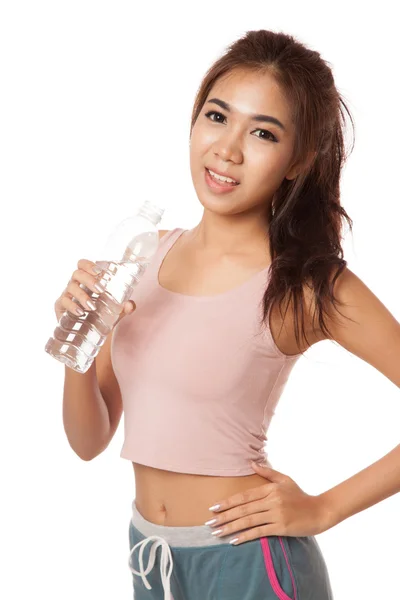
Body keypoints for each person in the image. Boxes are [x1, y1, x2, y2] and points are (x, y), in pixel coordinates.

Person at [57, 30, 400, 600]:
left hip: (250, 564)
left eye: (263, 133)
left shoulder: (307, 285)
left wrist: (324, 509)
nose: (228, 149)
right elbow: (88, 441)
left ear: (298, 162)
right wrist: (78, 347)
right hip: (151, 558)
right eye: (218, 117)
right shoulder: (145, 254)